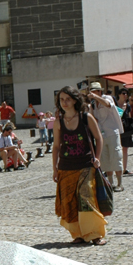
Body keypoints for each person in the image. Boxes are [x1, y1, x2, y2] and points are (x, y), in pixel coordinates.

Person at [52, 86, 107, 246]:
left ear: (75, 100)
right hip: (65, 167)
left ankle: (95, 234)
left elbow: (99, 138)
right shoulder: (58, 122)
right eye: (61, 99)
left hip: (85, 164)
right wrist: (54, 168)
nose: (65, 102)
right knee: (69, 201)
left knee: (87, 198)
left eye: (68, 99)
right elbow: (56, 146)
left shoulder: (86, 117)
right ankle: (78, 234)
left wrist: (97, 158)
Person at [86, 82, 123, 192]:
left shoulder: (107, 98)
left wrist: (96, 97)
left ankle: (120, 183)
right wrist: (89, 107)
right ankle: (110, 183)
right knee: (105, 159)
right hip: (101, 134)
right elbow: (94, 119)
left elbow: (108, 104)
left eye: (94, 91)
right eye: (91, 91)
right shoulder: (94, 104)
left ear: (99, 91)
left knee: (116, 157)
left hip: (112, 132)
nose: (92, 93)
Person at [120, 91, 133, 177]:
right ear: (119, 95)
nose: (125, 95)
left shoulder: (128, 106)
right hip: (117, 129)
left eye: (126, 94)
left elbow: (129, 116)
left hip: (126, 130)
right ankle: (115, 169)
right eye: (123, 93)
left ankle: (124, 169)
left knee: (125, 148)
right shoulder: (115, 104)